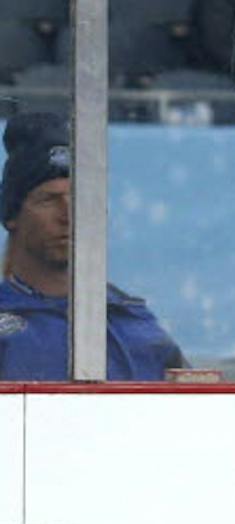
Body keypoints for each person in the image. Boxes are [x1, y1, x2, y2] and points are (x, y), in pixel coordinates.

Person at [0, 114, 187, 382]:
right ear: (12, 215)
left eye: (78, 198)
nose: (68, 213)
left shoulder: (132, 321)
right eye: (48, 200)